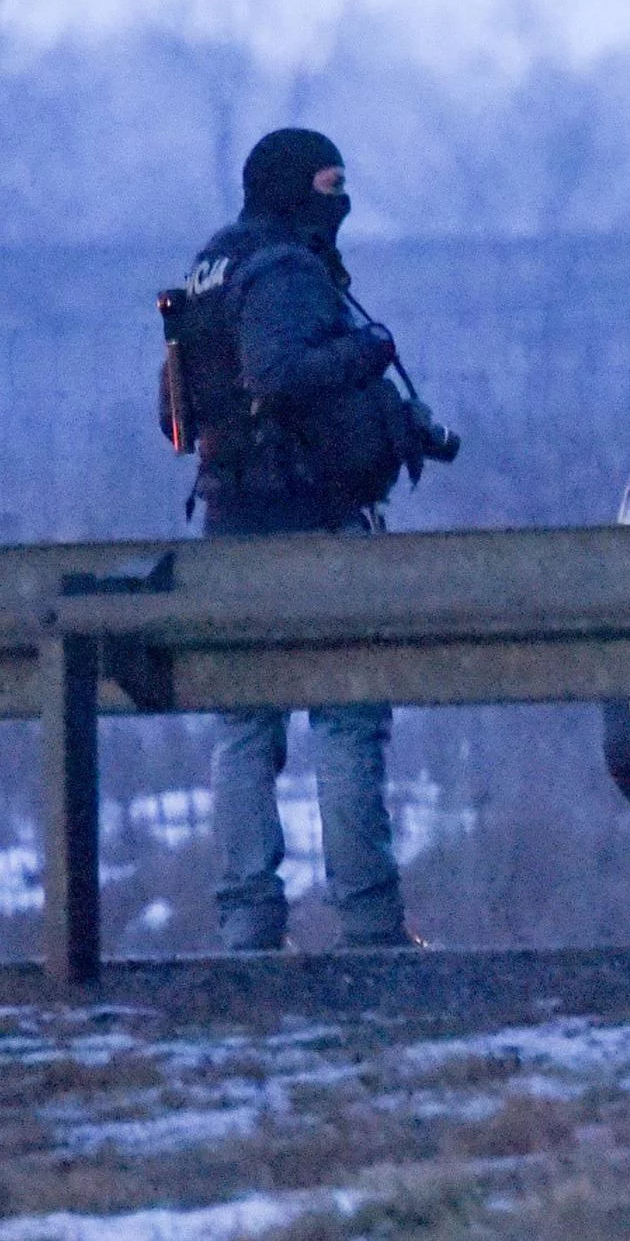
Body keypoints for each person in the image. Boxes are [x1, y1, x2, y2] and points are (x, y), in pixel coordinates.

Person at [174, 128, 415, 951]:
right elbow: (278, 371)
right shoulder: (284, 266)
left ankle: (248, 925)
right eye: (328, 183)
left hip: (229, 525)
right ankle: (371, 923)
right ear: (291, 186)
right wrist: (369, 349)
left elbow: (175, 405)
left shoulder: (211, 267)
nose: (339, 201)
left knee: (243, 724)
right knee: (346, 716)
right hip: (310, 521)